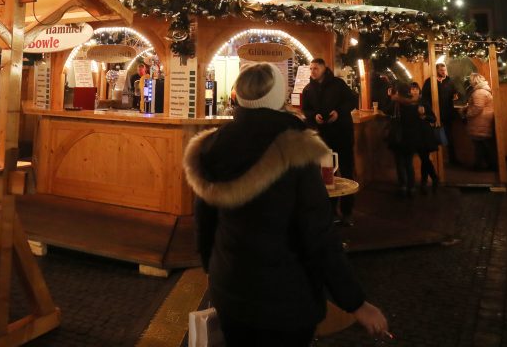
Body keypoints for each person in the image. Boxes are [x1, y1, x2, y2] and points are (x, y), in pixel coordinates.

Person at [184, 63, 389, 346]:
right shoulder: (296, 149)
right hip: (286, 297)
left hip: (230, 287)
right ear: (279, 97)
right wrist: (355, 302)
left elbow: (204, 223)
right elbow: (318, 234)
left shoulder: (211, 147)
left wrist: (214, 269)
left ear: (238, 97)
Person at [299, 58, 357, 225]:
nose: (312, 71)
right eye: (310, 68)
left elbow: (352, 100)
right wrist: (313, 116)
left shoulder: (338, 84)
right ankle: (330, 212)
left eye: (316, 68)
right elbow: (306, 110)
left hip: (343, 135)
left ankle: (347, 212)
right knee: (326, 175)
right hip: (323, 138)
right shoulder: (308, 89)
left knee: (346, 172)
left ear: (325, 68)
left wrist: (338, 113)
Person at [386, 80, 432, 196]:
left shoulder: (396, 103)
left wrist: (390, 97)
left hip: (399, 137)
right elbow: (420, 119)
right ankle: (411, 187)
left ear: (398, 92)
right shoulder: (417, 104)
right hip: (412, 137)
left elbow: (386, 111)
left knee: (400, 163)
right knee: (408, 163)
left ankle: (403, 186)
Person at [421, 61, 460, 164]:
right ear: (436, 71)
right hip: (433, 114)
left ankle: (452, 159)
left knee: (449, 137)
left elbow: (455, 93)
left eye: (444, 70)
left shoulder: (449, 81)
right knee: (434, 137)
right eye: (441, 70)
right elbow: (424, 97)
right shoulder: (429, 82)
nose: (444, 72)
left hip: (447, 114)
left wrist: (456, 95)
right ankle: (435, 161)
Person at [464, 73, 496, 171]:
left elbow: (477, 107)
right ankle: (487, 165)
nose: (470, 83)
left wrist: (467, 113)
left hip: (480, 122)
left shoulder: (479, 92)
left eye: (470, 81)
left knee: (480, 146)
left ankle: (482, 166)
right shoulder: (485, 91)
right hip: (483, 121)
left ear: (474, 81)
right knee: (484, 145)